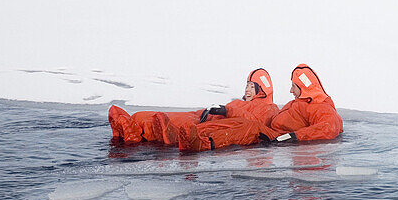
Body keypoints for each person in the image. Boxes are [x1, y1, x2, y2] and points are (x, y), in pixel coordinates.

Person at [168, 64, 343, 152]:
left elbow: (330, 127)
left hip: (276, 137)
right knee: (240, 124)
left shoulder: (320, 106)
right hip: (272, 133)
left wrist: (293, 137)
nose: (290, 90)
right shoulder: (298, 103)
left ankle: (205, 143)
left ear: (305, 87)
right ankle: (195, 135)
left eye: (294, 86)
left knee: (248, 127)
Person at [107, 68, 277, 145]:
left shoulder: (269, 108)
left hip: (214, 123)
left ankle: (162, 134)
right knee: (161, 116)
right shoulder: (239, 102)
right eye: (246, 86)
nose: (247, 90)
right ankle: (132, 125)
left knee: (179, 125)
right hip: (202, 115)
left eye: (251, 86)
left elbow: (257, 124)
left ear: (261, 89)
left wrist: (228, 110)